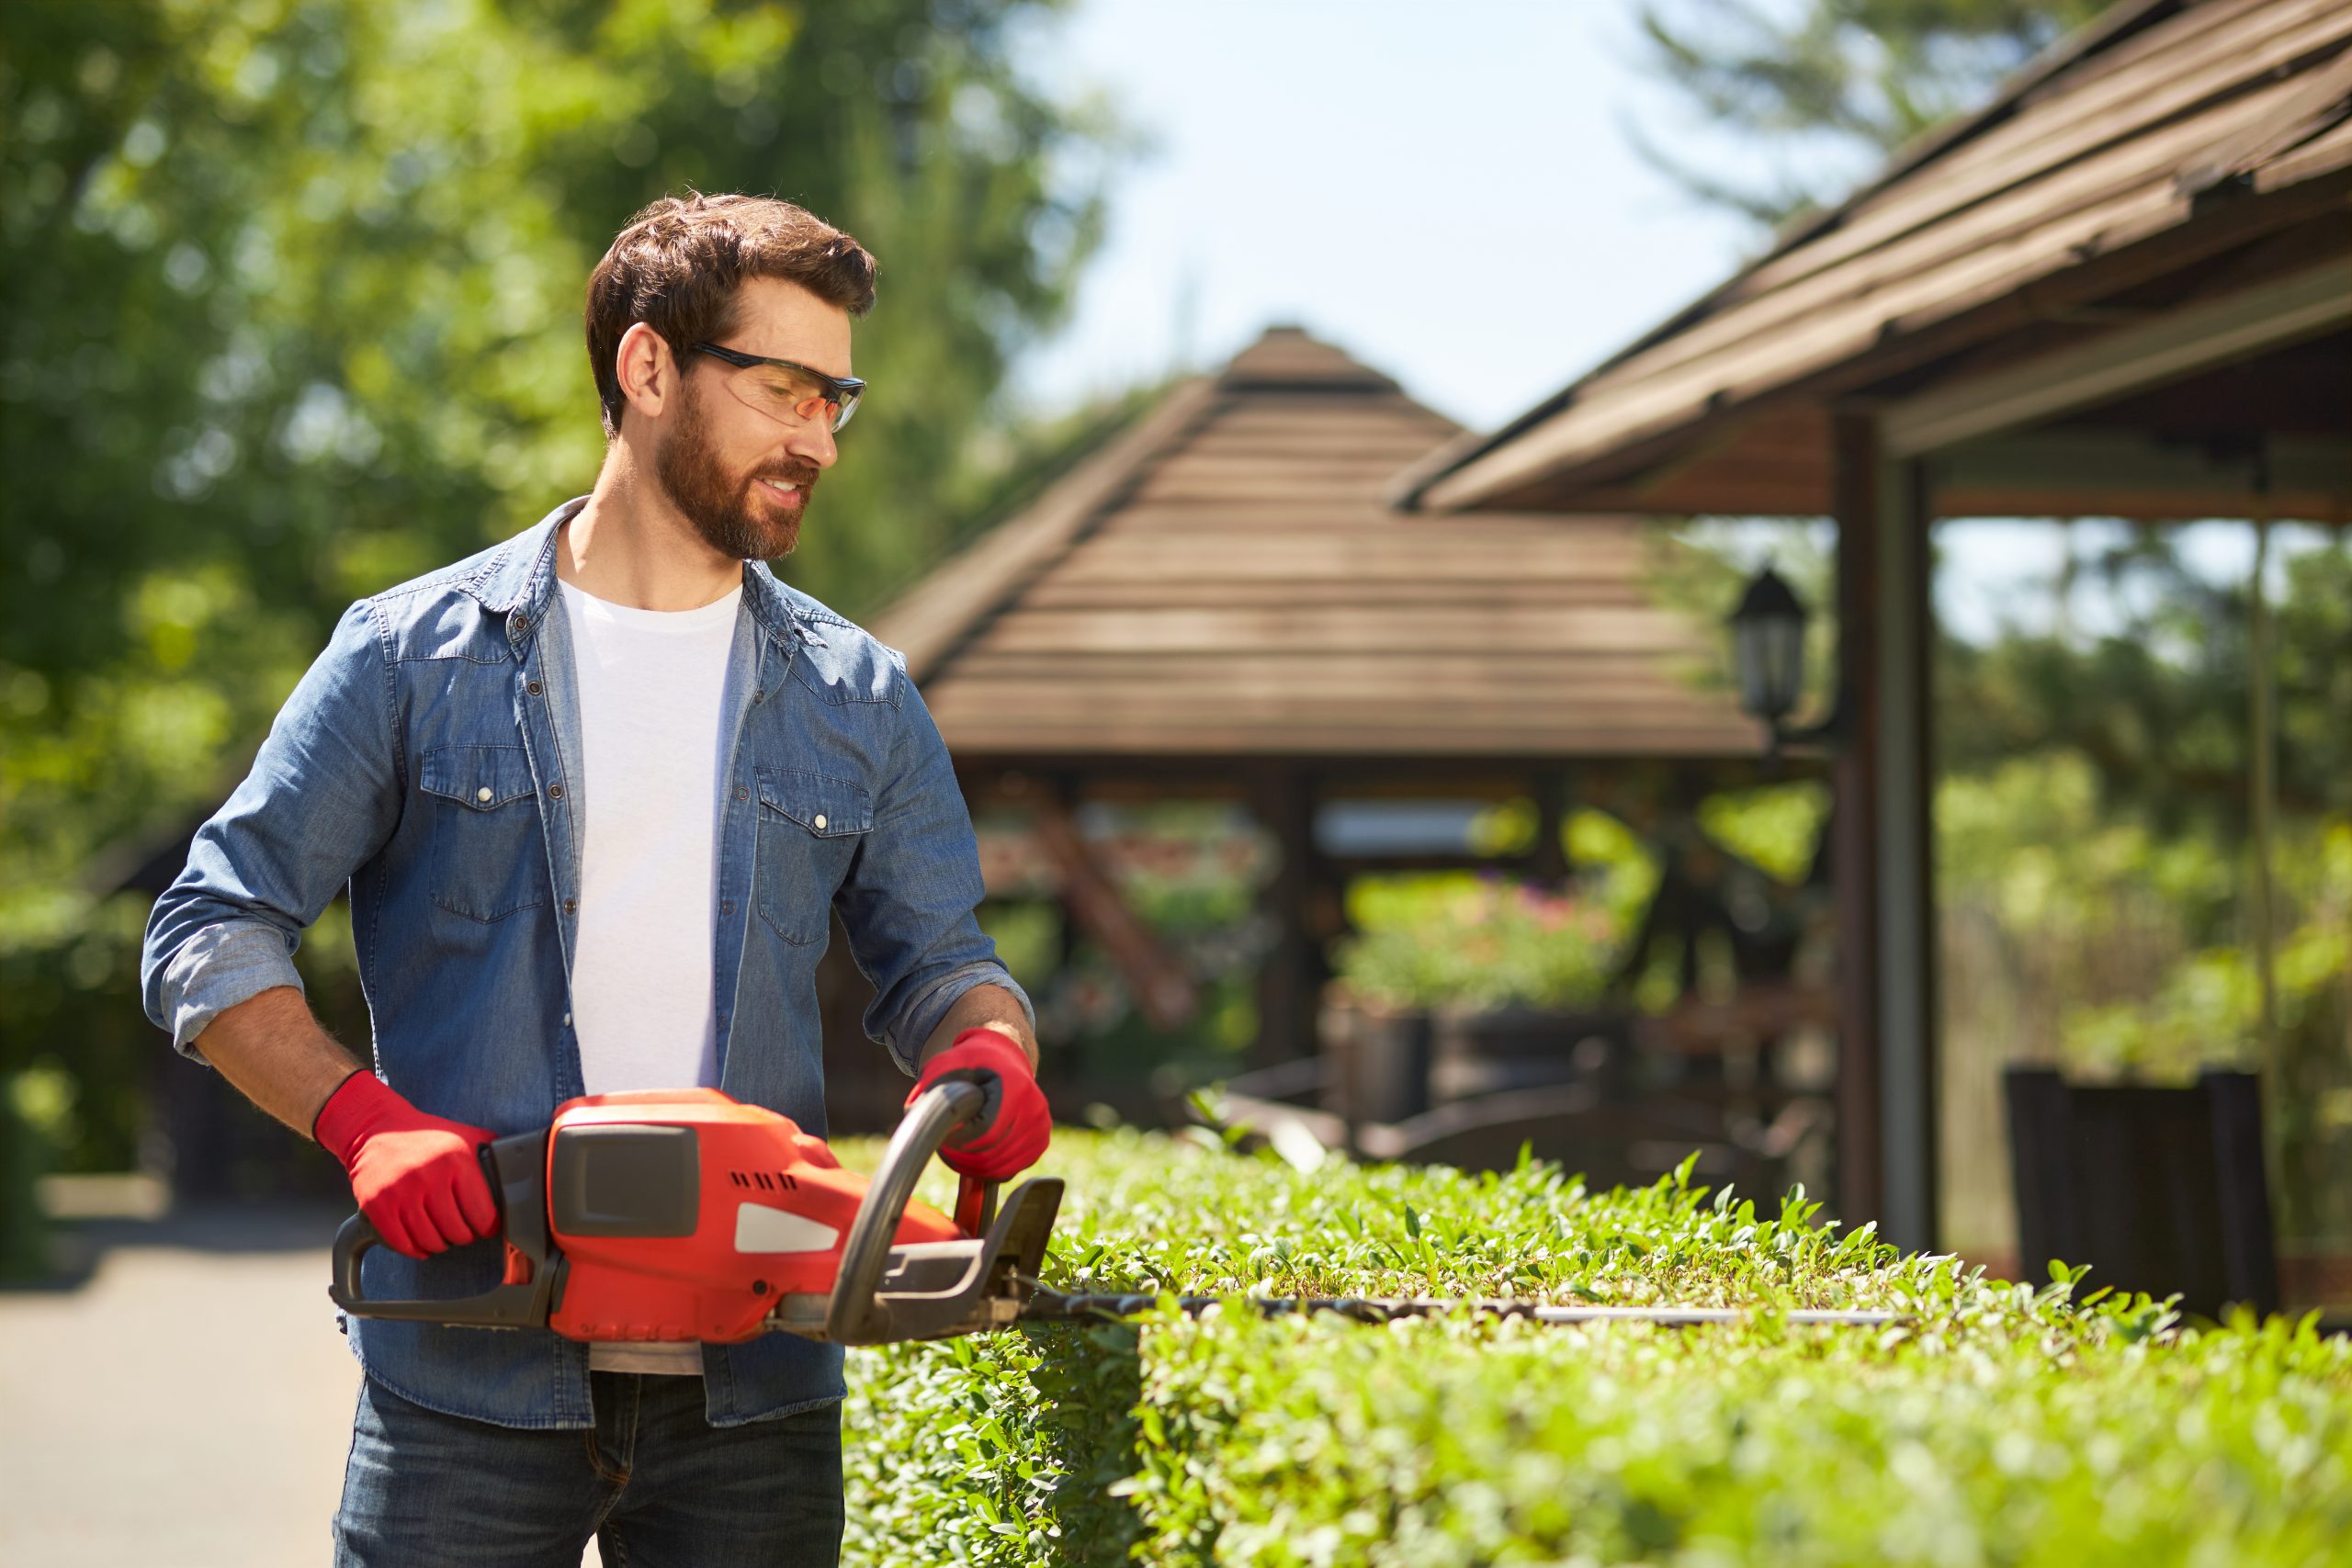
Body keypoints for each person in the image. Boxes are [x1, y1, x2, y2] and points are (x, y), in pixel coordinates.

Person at [139, 192, 1052, 1567]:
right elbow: (209, 927)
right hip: (469, 1380)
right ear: (647, 369)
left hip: (759, 1392)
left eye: (836, 399)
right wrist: (362, 1120)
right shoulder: (409, 657)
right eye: (784, 387)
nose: (819, 436)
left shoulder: (859, 696)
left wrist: (987, 1056)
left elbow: (943, 964)